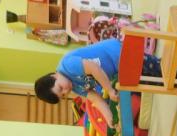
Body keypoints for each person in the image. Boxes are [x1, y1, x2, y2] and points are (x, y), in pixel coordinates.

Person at [34, 38, 162, 126]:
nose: (66, 91)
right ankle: (168, 81)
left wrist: (109, 90)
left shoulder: (67, 65)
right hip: (119, 70)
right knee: (147, 82)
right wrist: (109, 118)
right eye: (63, 95)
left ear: (54, 75)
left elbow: (93, 68)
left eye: (60, 88)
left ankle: (169, 70)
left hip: (118, 53)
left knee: (153, 68)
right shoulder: (74, 87)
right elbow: (95, 99)